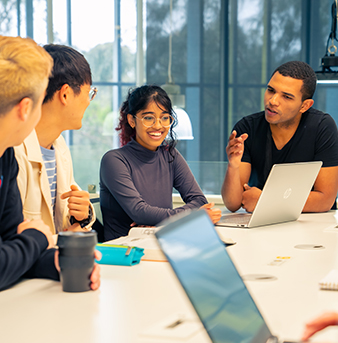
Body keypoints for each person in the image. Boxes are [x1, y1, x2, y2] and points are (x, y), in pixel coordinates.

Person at [0, 35, 100, 291]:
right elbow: (20, 245)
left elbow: (15, 243)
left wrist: (58, 261)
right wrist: (37, 239)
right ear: (25, 108)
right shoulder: (15, 149)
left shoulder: (6, 157)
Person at [100, 85, 221, 240]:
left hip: (161, 243)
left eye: (164, 118)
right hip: (124, 251)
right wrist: (191, 216)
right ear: (131, 120)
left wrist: (159, 221)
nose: (158, 126)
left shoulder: (170, 154)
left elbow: (199, 200)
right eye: (149, 118)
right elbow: (140, 212)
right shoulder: (114, 160)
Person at [221, 61, 338, 213]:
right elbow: (233, 204)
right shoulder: (246, 128)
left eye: (286, 97)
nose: (273, 101)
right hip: (264, 222)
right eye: (271, 90)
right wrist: (233, 165)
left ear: (305, 106)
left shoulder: (322, 127)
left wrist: (265, 200)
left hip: (312, 223)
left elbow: (325, 200)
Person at [14, 44, 96, 234]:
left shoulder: (59, 145)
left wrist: (82, 215)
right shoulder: (15, 151)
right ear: (65, 94)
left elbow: (62, 219)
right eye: (89, 93)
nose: (88, 102)